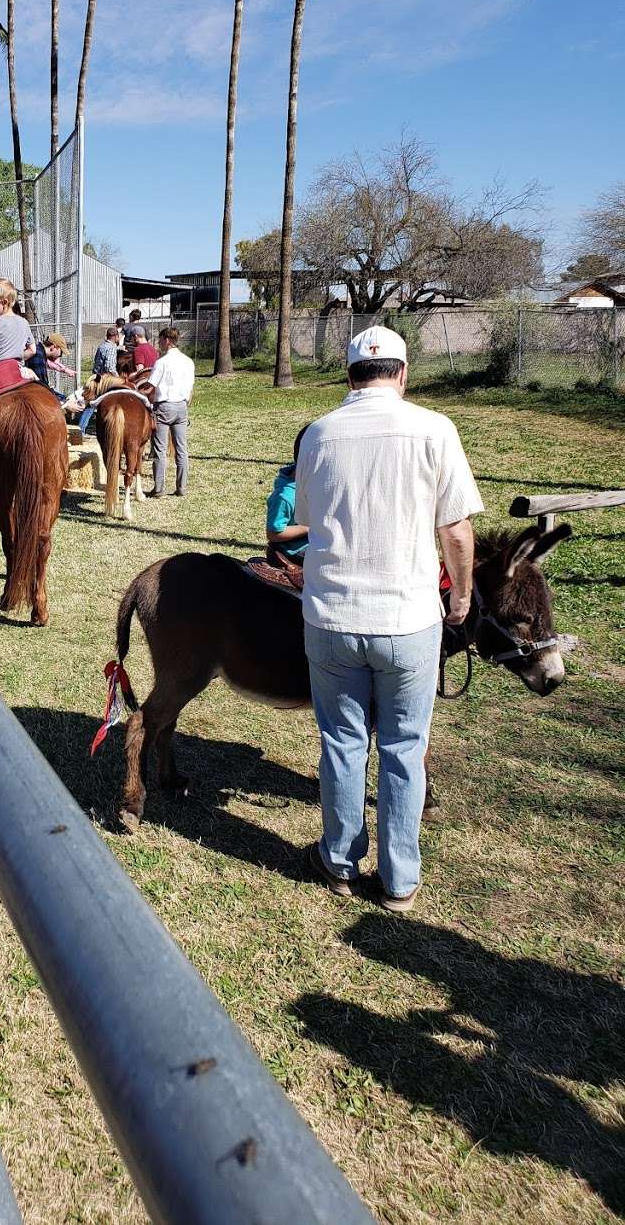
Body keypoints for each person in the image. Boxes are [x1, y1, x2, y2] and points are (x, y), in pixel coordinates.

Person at [294, 325, 483, 913]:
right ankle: (399, 878)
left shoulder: (320, 433)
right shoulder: (435, 429)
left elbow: (308, 518)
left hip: (333, 614)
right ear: (403, 373)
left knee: (342, 741)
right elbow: (454, 529)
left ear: (349, 374)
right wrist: (460, 598)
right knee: (405, 745)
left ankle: (341, 860)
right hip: (408, 618)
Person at [144, 327, 194, 499]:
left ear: (166, 340)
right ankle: (182, 487)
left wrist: (139, 394)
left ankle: (159, 488)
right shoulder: (188, 361)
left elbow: (150, 387)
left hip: (164, 406)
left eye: (160, 339)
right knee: (181, 449)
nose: (158, 342)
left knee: (160, 449)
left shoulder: (162, 362)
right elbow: (191, 388)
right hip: (182, 406)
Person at [264, 425, 310, 585]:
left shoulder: (309, 484)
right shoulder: (286, 496)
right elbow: (274, 533)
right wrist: (308, 528)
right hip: (295, 549)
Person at [0, 279, 34, 367]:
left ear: (4, 302)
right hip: (17, 369)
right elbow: (32, 350)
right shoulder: (24, 322)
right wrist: (14, 358)